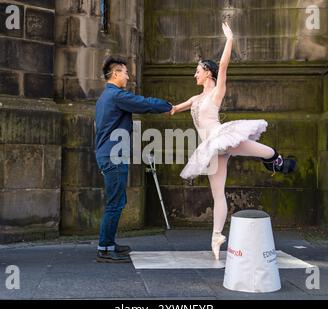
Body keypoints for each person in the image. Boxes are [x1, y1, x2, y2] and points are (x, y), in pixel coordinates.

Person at [170, 23, 296, 260]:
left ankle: (276, 160)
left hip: (221, 137)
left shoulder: (217, 91)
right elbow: (175, 108)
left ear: (208, 71)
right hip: (211, 148)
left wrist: (230, 40)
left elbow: (224, 66)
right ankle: (216, 236)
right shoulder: (195, 98)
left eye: (198, 70)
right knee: (218, 194)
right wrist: (166, 108)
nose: (195, 74)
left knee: (262, 151)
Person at [95, 57, 172, 263]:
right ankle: (104, 249)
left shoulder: (105, 96)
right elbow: (144, 104)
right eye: (126, 73)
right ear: (116, 74)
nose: (128, 77)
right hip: (113, 156)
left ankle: (109, 243)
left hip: (109, 154)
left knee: (117, 201)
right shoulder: (116, 95)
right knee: (115, 203)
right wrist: (167, 106)